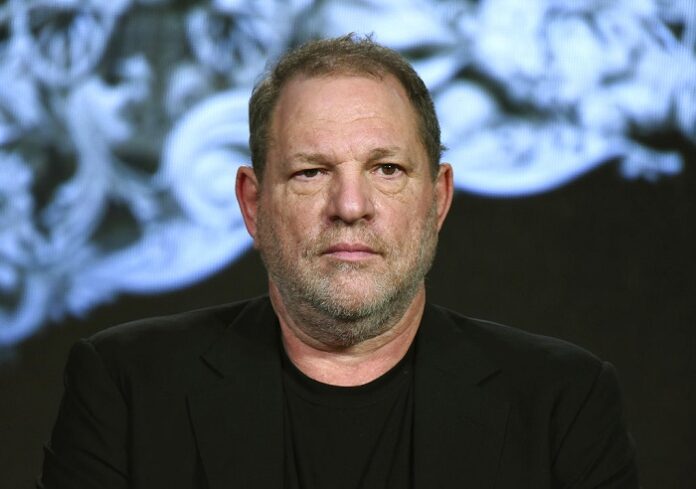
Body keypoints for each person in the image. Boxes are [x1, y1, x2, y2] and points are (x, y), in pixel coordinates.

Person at [39, 34, 639, 489]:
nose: (350, 206)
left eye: (387, 170)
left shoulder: (564, 403)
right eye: (311, 172)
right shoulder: (125, 390)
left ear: (437, 200)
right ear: (253, 204)